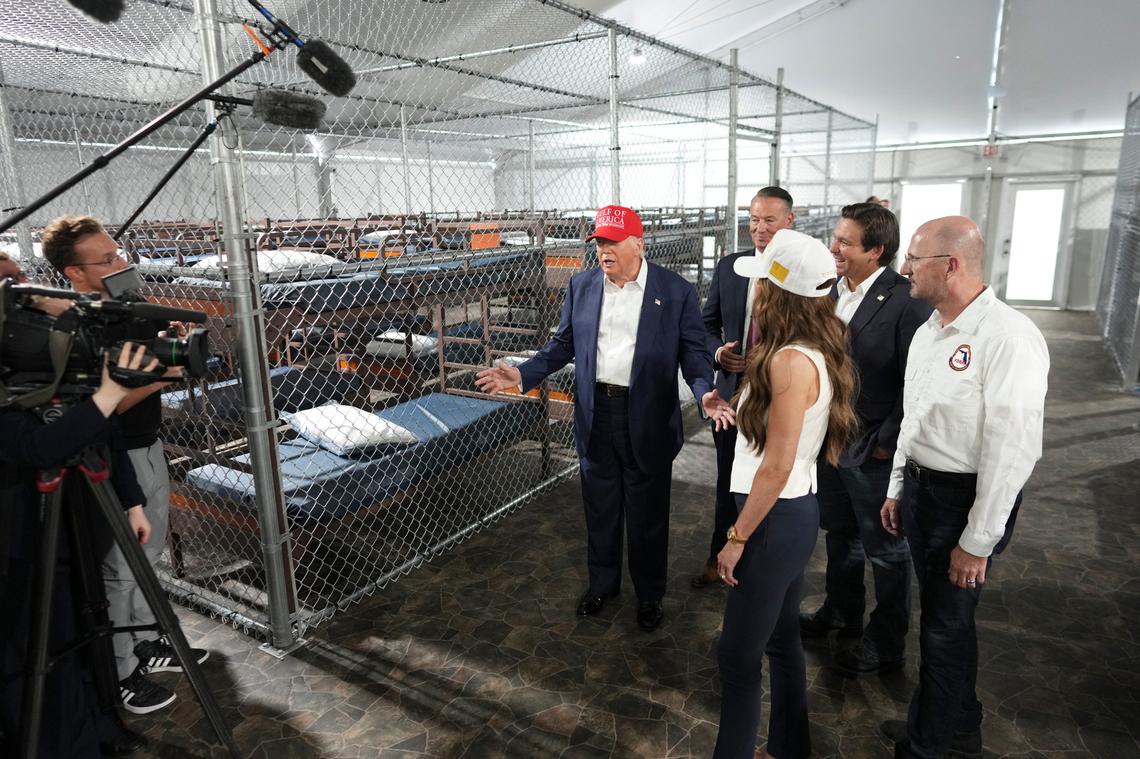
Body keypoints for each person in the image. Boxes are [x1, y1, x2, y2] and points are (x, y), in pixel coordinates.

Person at [475, 205, 729, 632]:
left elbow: (695, 356)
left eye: (613, 242)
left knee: (648, 515)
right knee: (601, 508)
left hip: (647, 416)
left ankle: (650, 595)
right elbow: (562, 346)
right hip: (597, 413)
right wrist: (522, 374)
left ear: (638, 244)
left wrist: (704, 394)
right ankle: (603, 584)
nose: (605, 252)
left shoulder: (675, 291)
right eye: (600, 243)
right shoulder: (583, 286)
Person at [879, 216, 1049, 759]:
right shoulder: (931, 329)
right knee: (943, 620)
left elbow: (1012, 449)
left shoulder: (1008, 337)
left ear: (949, 266)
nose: (904, 269)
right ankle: (957, 722)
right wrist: (897, 485)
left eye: (913, 259)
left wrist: (977, 542)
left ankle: (929, 746)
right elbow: (916, 417)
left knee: (944, 631)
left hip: (964, 502)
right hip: (923, 492)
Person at [41, 216, 208, 715]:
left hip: (147, 443)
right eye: (107, 260)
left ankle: (142, 640)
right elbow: (96, 410)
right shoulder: (78, 328)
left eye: (120, 254)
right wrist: (160, 378)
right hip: (114, 457)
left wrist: (174, 345)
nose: (122, 264)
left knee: (149, 550)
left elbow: (161, 361)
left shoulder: (128, 312)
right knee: (120, 565)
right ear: (74, 272)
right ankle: (119, 672)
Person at [713, 229, 858, 759]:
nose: (756, 295)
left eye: (763, 287)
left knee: (737, 659)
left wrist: (736, 536)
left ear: (779, 295)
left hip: (771, 518)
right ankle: (788, 747)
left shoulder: (789, 360)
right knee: (782, 643)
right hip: (793, 513)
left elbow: (774, 467)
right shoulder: (812, 347)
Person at [1, 343, 156, 758]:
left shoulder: (58, 368)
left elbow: (105, 433)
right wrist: (109, 395)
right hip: (24, 544)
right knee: (41, 654)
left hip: (82, 522)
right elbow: (36, 448)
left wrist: (132, 500)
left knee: (93, 634)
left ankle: (102, 724)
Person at [800, 203, 932, 676]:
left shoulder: (904, 301)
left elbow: (916, 382)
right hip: (832, 441)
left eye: (845, 242)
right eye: (835, 238)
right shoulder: (831, 291)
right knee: (841, 534)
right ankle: (842, 610)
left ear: (876, 250)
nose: (834, 248)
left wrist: (886, 442)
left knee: (886, 549)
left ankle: (888, 639)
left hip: (874, 448)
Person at [692, 186, 797, 589]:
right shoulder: (731, 267)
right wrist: (719, 353)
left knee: (774, 479)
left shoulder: (800, 272)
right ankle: (718, 557)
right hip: (732, 396)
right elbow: (705, 325)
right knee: (728, 481)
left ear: (790, 220)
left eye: (769, 220)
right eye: (753, 219)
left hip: (780, 396)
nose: (759, 228)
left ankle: (762, 565)